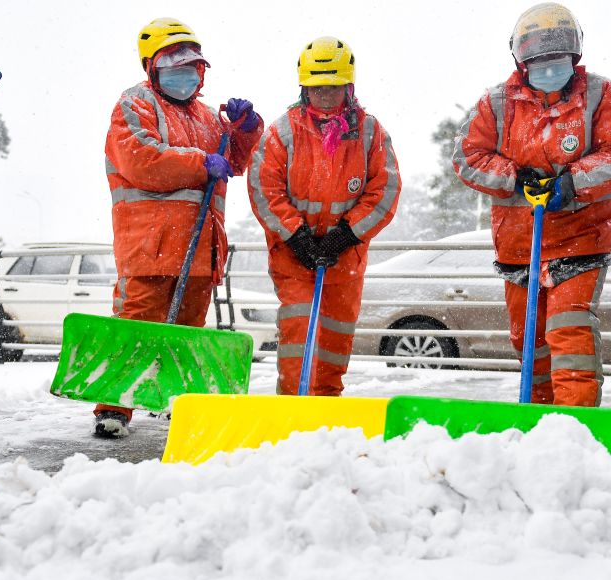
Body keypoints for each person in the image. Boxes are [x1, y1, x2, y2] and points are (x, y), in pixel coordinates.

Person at [453, 2, 611, 407]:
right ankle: (539, 420)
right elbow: (467, 158)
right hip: (519, 245)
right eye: (539, 58)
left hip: (580, 239)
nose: (549, 65)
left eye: (557, 57)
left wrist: (572, 182)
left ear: (574, 54)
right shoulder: (496, 103)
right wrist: (515, 178)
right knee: (529, 341)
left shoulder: (602, 95)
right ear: (522, 60)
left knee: (570, 332)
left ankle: (576, 423)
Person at [96, 18, 263, 438]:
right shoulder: (134, 104)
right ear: (151, 65)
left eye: (190, 61)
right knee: (137, 324)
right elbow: (140, 158)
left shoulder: (209, 117)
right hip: (149, 243)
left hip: (200, 245)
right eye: (172, 60)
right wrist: (198, 162)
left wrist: (245, 129)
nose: (183, 68)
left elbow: (236, 161)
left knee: (188, 331)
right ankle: (114, 408)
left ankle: (176, 401)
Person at [248, 37, 401, 397]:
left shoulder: (369, 132)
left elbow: (384, 190)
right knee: (299, 328)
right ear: (304, 87)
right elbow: (264, 188)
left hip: (345, 254)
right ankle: (293, 403)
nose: (326, 96)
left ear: (349, 87)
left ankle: (327, 401)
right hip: (294, 254)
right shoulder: (282, 132)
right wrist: (296, 235)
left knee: (336, 333)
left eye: (333, 88)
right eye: (317, 89)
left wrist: (346, 235)